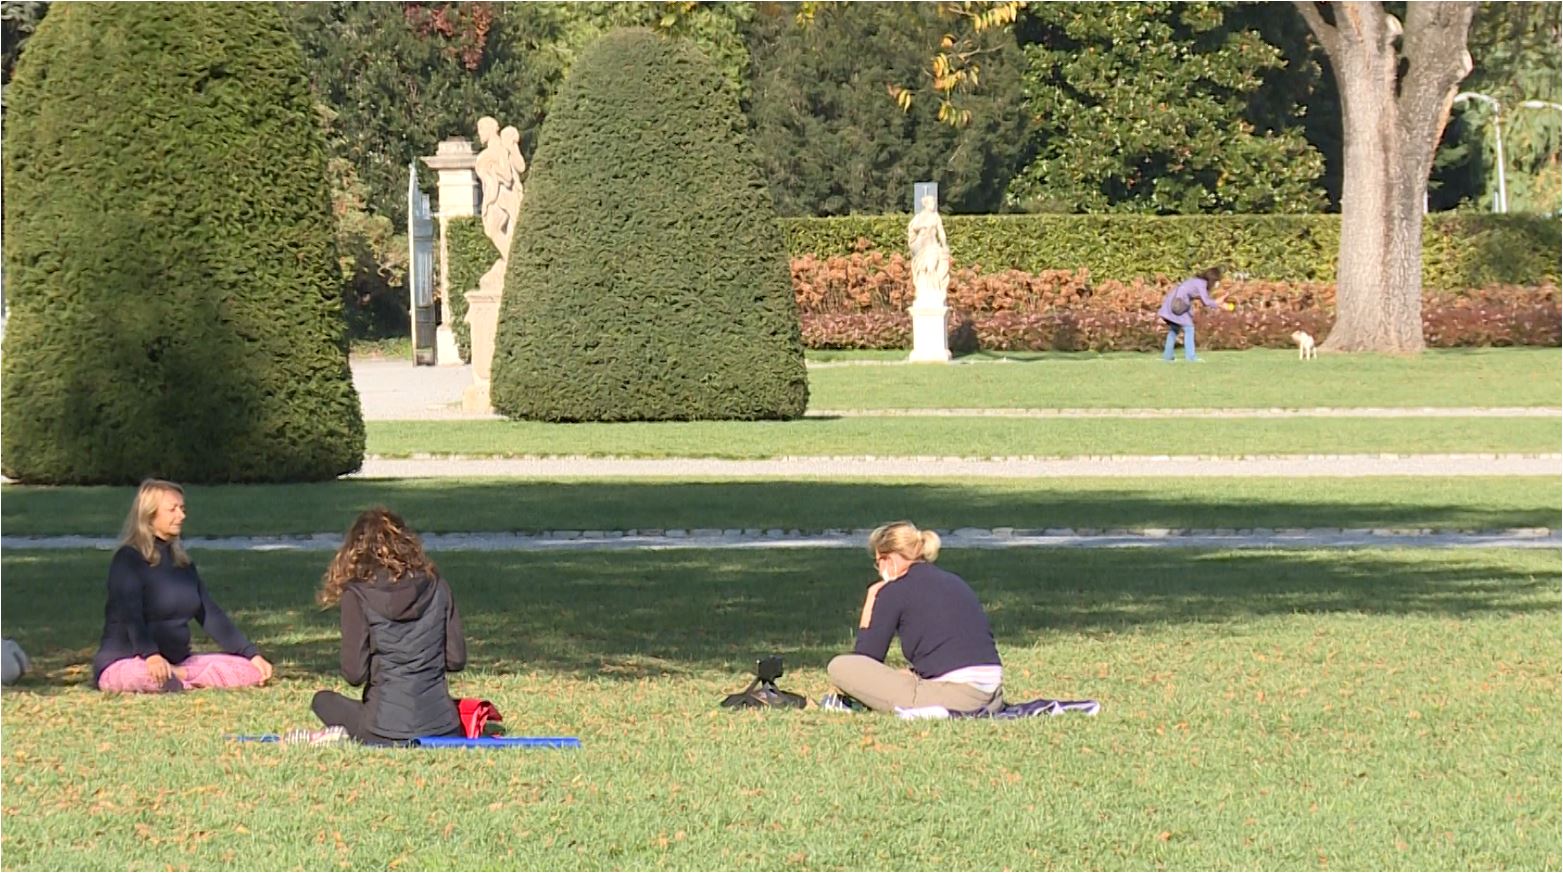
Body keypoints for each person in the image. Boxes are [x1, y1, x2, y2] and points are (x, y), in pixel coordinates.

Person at [92, 480, 273, 693]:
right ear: (149, 515)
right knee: (148, 677)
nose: (181, 516)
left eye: (182, 509)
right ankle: (182, 678)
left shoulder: (183, 564)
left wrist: (251, 654)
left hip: (180, 664)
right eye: (172, 510)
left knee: (249, 671)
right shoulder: (128, 560)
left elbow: (211, 616)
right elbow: (131, 616)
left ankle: (181, 677)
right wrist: (151, 655)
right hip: (129, 661)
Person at [309, 508, 466, 745]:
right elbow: (456, 659)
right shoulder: (438, 586)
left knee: (322, 700)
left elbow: (354, 674)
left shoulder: (358, 595)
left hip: (382, 730)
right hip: (443, 726)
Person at [825, 521, 1004, 714]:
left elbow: (865, 660)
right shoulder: (954, 581)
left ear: (889, 560)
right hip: (993, 694)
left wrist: (872, 598)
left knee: (840, 666)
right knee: (904, 675)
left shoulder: (893, 591)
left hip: (958, 695)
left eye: (878, 562)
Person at [1157, 266, 1227, 362]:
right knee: (1189, 329)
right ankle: (1191, 357)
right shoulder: (1202, 284)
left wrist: (1218, 302)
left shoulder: (1197, 281)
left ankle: (1167, 357)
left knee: (1174, 330)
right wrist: (1219, 304)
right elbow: (1206, 301)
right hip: (1178, 305)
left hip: (1173, 303)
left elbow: (1201, 298)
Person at [906, 195, 950, 307]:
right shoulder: (919, 217)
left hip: (932, 246)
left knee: (931, 268)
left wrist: (944, 245)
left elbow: (941, 232)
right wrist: (924, 226)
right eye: (931, 202)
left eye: (934, 202)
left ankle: (935, 292)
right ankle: (923, 293)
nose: (933, 204)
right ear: (926, 204)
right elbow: (913, 227)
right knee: (922, 270)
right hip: (921, 247)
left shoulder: (936, 217)